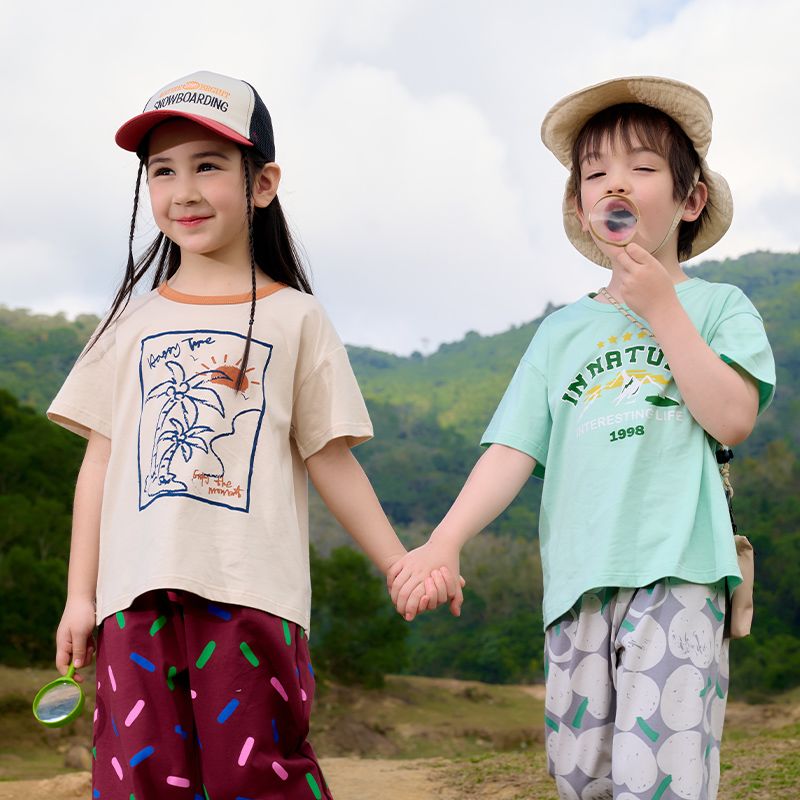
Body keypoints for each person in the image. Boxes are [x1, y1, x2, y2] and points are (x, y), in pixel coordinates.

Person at [47, 69, 451, 800]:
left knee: (258, 777)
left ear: (262, 183)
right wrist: (81, 597)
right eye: (163, 170)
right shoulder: (129, 321)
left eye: (208, 165)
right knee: (138, 780)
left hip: (252, 597)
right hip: (131, 600)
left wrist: (398, 563)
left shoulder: (298, 318)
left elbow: (330, 458)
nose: (184, 191)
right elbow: (99, 463)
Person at [387, 76, 776, 799]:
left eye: (642, 167)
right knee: (581, 777)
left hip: (679, 572)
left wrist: (662, 309)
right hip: (574, 588)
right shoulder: (560, 333)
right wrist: (444, 541)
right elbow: (512, 450)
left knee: (659, 777)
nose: (615, 183)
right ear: (580, 207)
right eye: (595, 174)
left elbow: (733, 417)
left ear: (690, 200)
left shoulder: (720, 307)